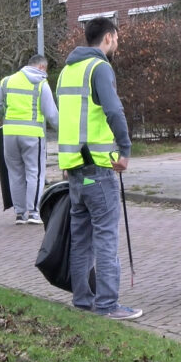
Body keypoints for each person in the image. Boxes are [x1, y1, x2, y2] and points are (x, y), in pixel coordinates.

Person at [56, 17, 142, 320]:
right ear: (108, 37)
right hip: (99, 168)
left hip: (74, 169)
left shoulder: (67, 71)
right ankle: (107, 304)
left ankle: (83, 300)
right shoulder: (99, 68)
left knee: (81, 240)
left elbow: (65, 119)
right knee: (106, 237)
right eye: (116, 38)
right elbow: (113, 110)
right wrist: (125, 149)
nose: (116, 44)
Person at [0, 54, 58, 225]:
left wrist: (5, 114)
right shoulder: (41, 84)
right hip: (33, 134)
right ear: (41, 67)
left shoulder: (7, 81)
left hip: (10, 134)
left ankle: (20, 214)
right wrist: (64, 132)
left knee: (15, 173)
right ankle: (34, 212)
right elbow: (51, 114)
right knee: (35, 172)